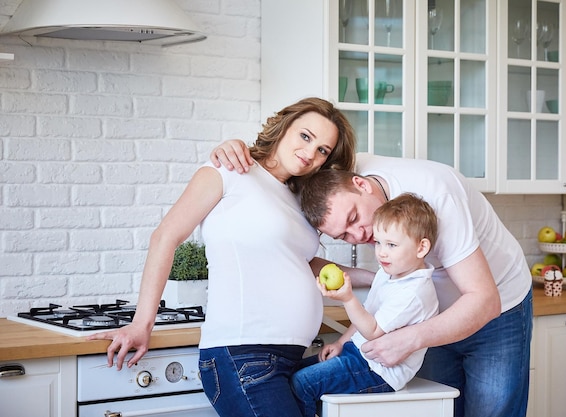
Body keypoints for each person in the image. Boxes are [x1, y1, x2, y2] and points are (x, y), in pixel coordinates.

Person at [87, 97, 366, 417]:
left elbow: (299, 263)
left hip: (290, 357)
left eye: (323, 150)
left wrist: (379, 275)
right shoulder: (231, 169)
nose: (310, 153)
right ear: (285, 126)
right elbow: (165, 237)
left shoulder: (297, 198)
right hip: (243, 355)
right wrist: (141, 323)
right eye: (305, 136)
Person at [210, 145, 533, 417]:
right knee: (440, 408)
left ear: (361, 184)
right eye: (344, 236)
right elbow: (281, 163)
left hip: (497, 305)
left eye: (354, 219)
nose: (359, 235)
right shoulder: (334, 180)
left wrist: (410, 339)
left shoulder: (435, 194)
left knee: (491, 412)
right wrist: (238, 149)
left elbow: (483, 299)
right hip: (428, 315)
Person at [291, 193, 440, 417]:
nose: (381, 252)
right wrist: (341, 342)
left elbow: (372, 330)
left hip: (379, 371)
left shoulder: (414, 292)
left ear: (421, 248)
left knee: (303, 383)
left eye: (391, 244)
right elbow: (368, 313)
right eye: (379, 242)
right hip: (358, 353)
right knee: (292, 372)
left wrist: (348, 298)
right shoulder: (388, 273)